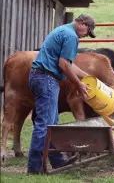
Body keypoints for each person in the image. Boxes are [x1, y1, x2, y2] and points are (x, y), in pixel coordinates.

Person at [27, 14, 96, 174]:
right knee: (45, 124)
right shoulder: (71, 36)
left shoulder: (63, 30)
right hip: (47, 78)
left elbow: (69, 65)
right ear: (82, 23)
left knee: (51, 123)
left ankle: (58, 161)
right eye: (88, 31)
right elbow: (64, 64)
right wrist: (79, 85)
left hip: (40, 76)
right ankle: (34, 168)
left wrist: (88, 78)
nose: (86, 35)